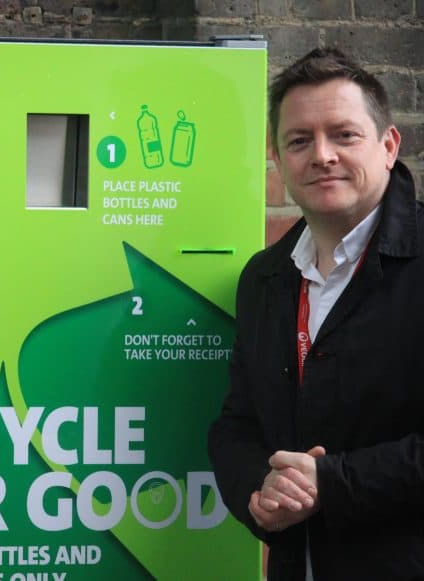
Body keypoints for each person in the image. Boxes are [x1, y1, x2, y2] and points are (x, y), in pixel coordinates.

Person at [207, 47, 424, 580]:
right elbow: (236, 425)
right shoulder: (263, 279)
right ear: (277, 160)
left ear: (388, 145)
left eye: (344, 135)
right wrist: (260, 490)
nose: (321, 155)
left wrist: (332, 482)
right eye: (299, 141)